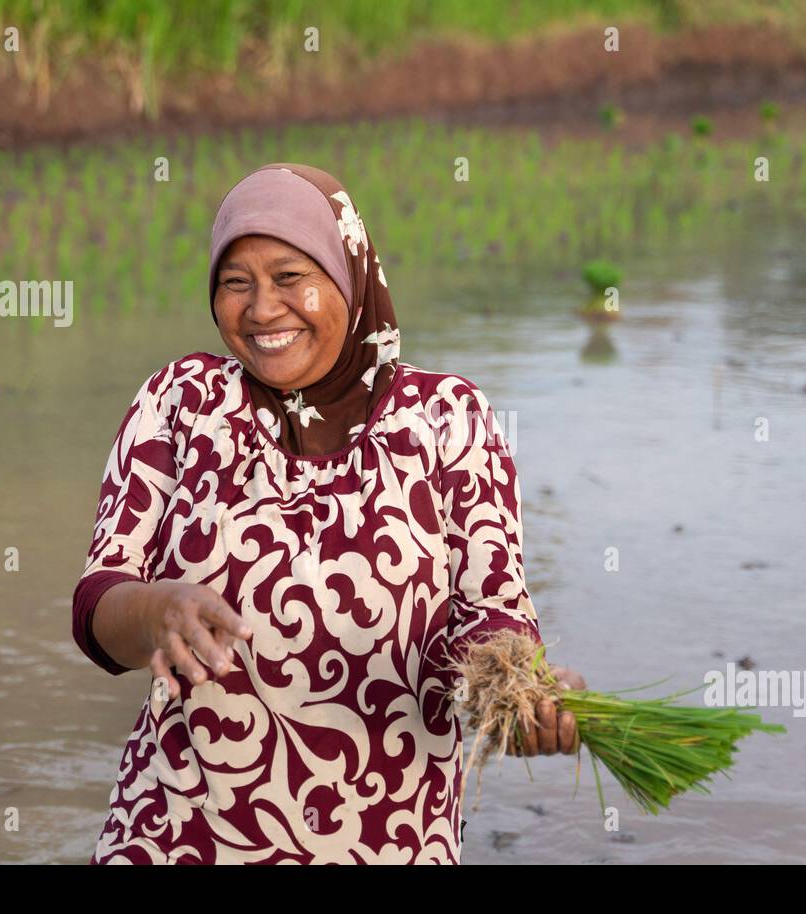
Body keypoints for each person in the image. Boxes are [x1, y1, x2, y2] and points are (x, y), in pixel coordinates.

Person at [71, 162, 585, 864]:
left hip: (383, 839)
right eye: (235, 281)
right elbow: (100, 606)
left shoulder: (446, 418)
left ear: (349, 273)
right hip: (175, 835)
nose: (260, 309)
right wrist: (155, 609)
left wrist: (527, 693)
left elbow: (493, 614)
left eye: (290, 277)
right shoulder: (181, 402)